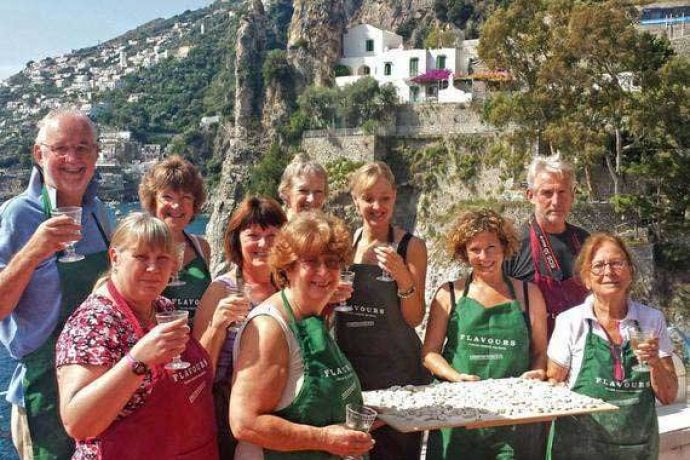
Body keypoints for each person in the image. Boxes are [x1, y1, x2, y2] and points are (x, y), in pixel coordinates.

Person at [55, 212, 218, 459]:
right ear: (115, 257)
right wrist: (137, 361)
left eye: (163, 258)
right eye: (141, 257)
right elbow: (77, 423)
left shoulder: (162, 308)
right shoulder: (95, 321)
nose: (153, 268)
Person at [0, 109, 112, 459]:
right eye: (61, 148)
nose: (73, 159)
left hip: (100, 387)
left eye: (83, 148)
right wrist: (33, 251)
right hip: (44, 390)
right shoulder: (18, 215)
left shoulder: (100, 214)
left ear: (96, 154)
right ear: (39, 154)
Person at [230, 212, 374, 459]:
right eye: (311, 261)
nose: (324, 272)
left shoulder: (314, 315)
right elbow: (244, 423)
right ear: (288, 267)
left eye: (331, 262)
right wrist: (325, 439)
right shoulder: (270, 328)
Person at [423, 208, 548, 459]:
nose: (484, 256)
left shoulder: (528, 294)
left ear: (504, 246)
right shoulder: (449, 294)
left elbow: (540, 351)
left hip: (513, 418)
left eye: (491, 247)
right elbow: (429, 353)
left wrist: (537, 372)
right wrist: (455, 377)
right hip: (459, 416)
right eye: (475, 249)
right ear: (463, 252)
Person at [547, 232, 677, 459]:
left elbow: (668, 396)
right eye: (598, 265)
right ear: (586, 278)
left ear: (630, 273)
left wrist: (654, 362)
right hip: (578, 448)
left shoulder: (651, 320)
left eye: (617, 263)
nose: (608, 272)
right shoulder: (570, 322)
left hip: (637, 448)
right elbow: (553, 382)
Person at [333, 161, 430, 460]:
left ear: (395, 198)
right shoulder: (343, 245)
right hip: (353, 370)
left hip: (398, 371)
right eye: (368, 198)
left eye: (384, 198)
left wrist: (403, 277)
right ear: (355, 199)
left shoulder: (411, 246)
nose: (377, 206)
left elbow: (415, 317)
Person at [193, 196, 287, 458]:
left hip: (283, 411)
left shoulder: (290, 288)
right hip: (230, 416)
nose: (263, 244)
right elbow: (199, 372)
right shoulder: (220, 290)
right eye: (253, 235)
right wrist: (217, 327)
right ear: (237, 240)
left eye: (272, 235)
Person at [504, 155, 589, 337]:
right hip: (532, 353)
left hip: (580, 347)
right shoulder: (512, 244)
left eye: (563, 192)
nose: (556, 202)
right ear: (530, 196)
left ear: (573, 195)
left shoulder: (585, 241)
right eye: (547, 193)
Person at [139, 154, 211, 321]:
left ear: (194, 204)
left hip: (197, 343)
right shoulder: (139, 246)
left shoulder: (201, 247)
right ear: (153, 201)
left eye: (186, 198)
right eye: (167, 197)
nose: (177, 206)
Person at [277, 153, 328, 220]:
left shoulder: (333, 229)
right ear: (286, 194)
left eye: (318, 192)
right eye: (303, 191)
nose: (311, 199)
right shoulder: (274, 228)